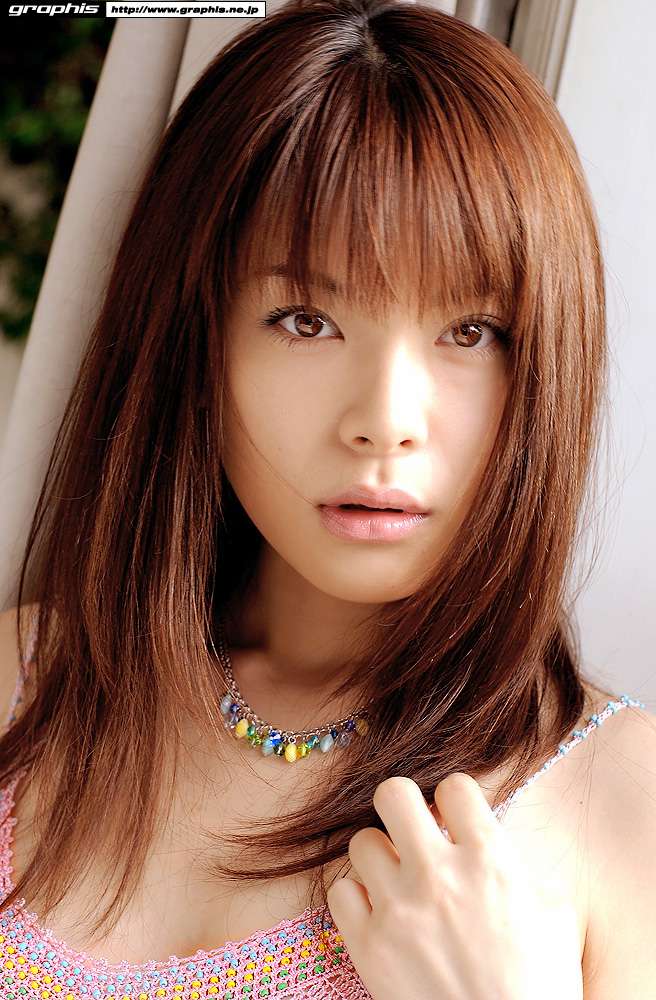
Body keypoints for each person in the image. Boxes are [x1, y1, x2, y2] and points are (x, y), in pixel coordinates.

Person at [0, 0, 654, 997]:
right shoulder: (24, 679)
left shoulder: (618, 806)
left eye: (470, 331)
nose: (384, 421)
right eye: (306, 319)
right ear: (196, 338)